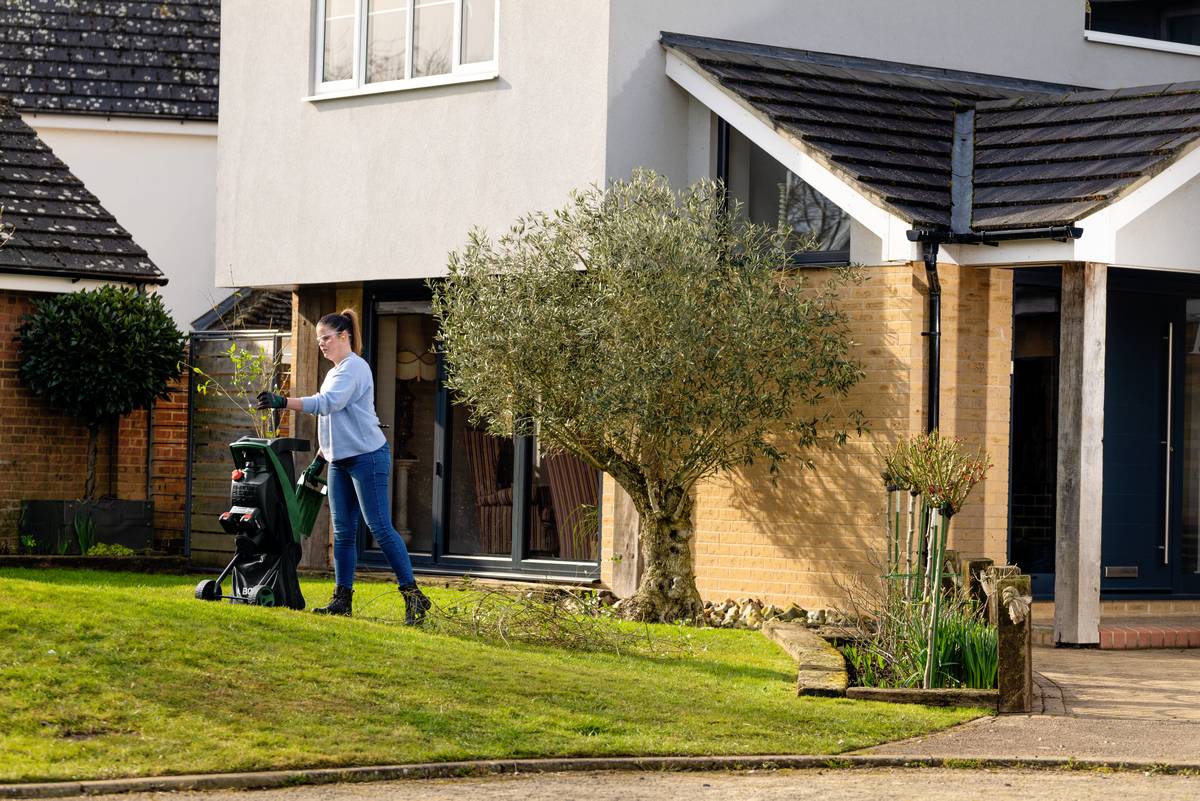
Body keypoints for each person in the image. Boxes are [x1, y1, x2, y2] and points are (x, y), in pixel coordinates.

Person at [255, 308, 431, 624]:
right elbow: (333, 423)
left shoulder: (355, 368)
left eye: (326, 338)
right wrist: (319, 459)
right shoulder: (334, 372)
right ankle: (342, 600)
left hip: (367, 457)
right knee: (343, 532)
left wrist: (284, 402)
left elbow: (328, 404)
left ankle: (414, 596)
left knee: (379, 527)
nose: (321, 344)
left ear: (344, 336)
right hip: (340, 461)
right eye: (318, 339)